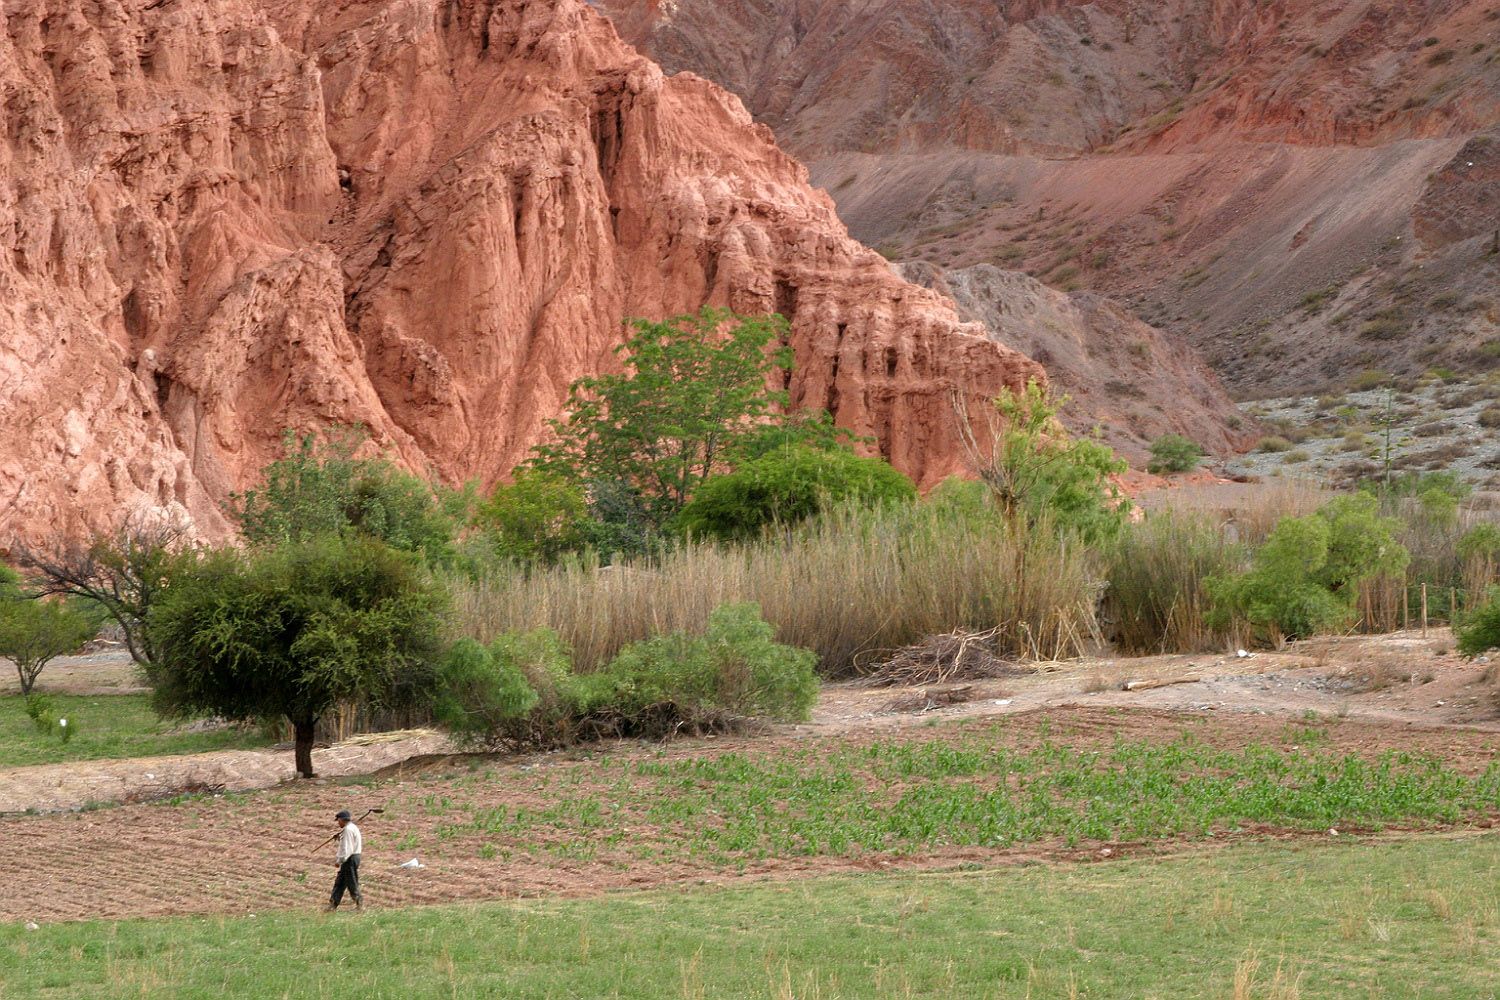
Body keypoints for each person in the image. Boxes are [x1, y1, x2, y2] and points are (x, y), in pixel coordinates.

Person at [328, 809, 364, 911]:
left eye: (338, 820)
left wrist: (339, 860)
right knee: (340, 882)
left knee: (351, 882)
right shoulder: (352, 828)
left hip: (350, 858)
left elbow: (347, 849)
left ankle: (359, 904)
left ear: (342, 819)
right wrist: (340, 837)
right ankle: (333, 905)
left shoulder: (348, 830)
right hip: (353, 857)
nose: (338, 822)